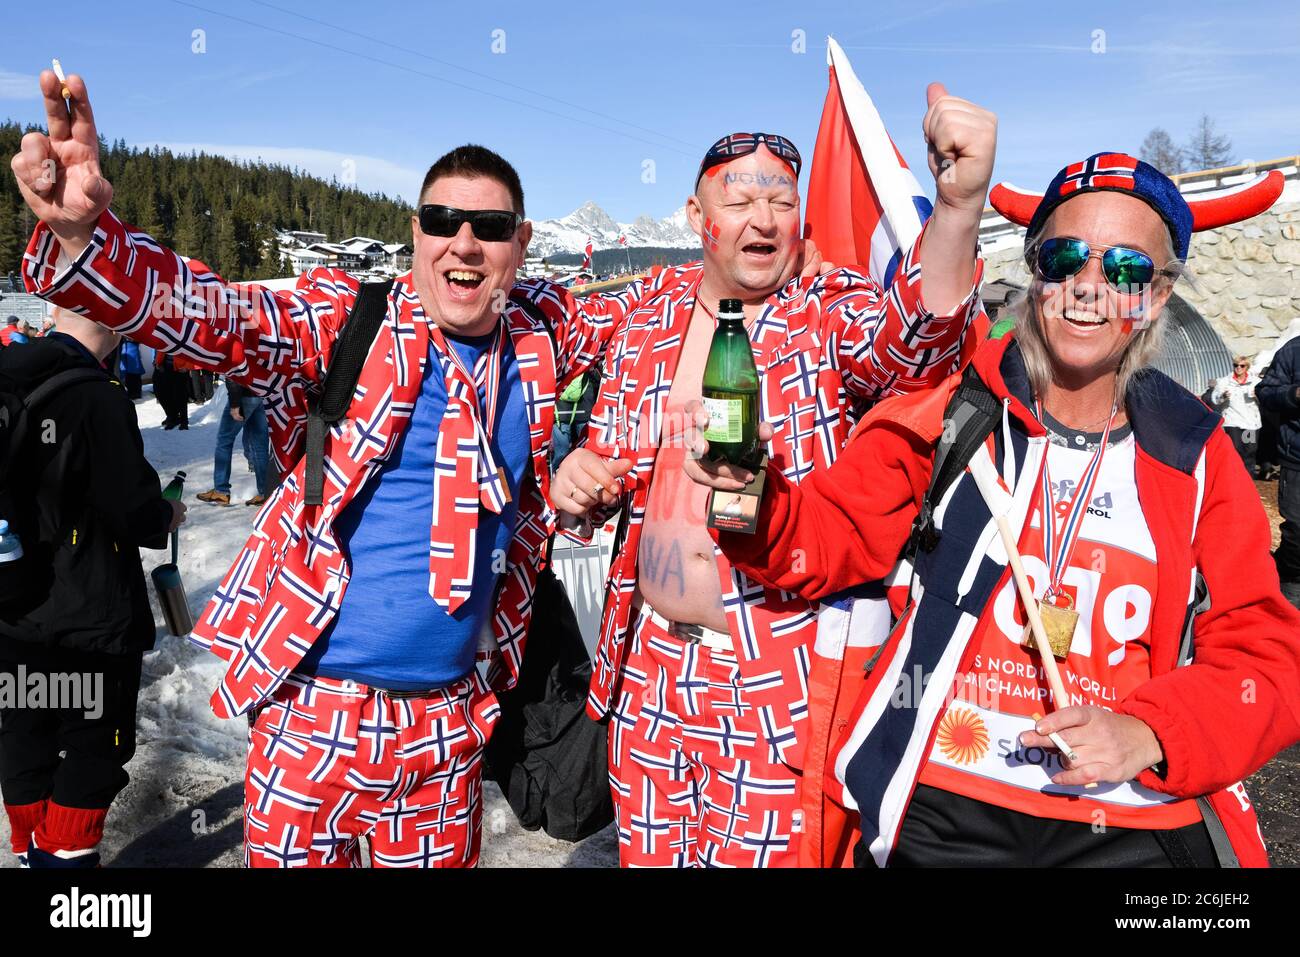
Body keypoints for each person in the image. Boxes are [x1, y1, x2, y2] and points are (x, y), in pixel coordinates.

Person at [11, 68, 687, 868]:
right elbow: (219, 317)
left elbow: (668, 298)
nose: (463, 242)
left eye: (488, 225)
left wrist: (765, 248)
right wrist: (89, 242)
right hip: (313, 720)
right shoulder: (347, 323)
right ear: (416, 232)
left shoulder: (543, 331)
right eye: (442, 220)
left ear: (522, 243)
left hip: (449, 730)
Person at [693, 151, 1299, 867]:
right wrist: (743, 490)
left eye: (1127, 269)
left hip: (1129, 819)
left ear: (1159, 295)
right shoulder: (952, 415)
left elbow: (1264, 656)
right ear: (1036, 271)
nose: (1088, 288)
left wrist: (1151, 732)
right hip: (945, 809)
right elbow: (819, 544)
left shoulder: (1194, 455)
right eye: (1064, 257)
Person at [552, 86, 996, 867]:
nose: (763, 218)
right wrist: (578, 485)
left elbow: (916, 341)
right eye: (740, 198)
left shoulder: (824, 311)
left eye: (782, 200)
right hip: (647, 666)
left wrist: (958, 208)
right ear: (697, 216)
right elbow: (609, 467)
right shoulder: (647, 316)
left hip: (767, 676)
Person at [0, 307, 187, 867]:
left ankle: (34, 848)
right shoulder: (96, 395)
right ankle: (64, 875)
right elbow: (137, 514)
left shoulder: (8, 370)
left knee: (25, 731)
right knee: (93, 747)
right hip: (87, 615)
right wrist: (167, 516)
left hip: (10, 602)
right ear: (115, 323)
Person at [1257, 333, 1300, 607]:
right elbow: (1265, 392)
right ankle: (1290, 591)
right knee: (1298, 531)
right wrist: (1293, 394)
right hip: (1297, 458)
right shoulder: (1294, 350)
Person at [196, 379, 272, 507]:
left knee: (224, 441)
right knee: (259, 445)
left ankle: (221, 490)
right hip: (262, 393)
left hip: (244, 394)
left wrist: (235, 403)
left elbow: (234, 369)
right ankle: (266, 492)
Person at [1210, 355, 1261, 475]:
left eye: (1242, 366)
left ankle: (1248, 475)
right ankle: (1236, 474)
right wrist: (1222, 396)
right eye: (1236, 365)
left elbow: (1266, 399)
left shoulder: (1255, 382)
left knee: (1250, 450)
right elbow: (1214, 398)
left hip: (1250, 423)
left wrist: (1257, 396)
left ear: (1247, 367)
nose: (1238, 368)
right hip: (1233, 422)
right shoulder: (1224, 382)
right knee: (1236, 448)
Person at [151, 352, 189, 430]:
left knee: (180, 395)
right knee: (163, 394)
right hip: (165, 366)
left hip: (181, 368)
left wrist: (188, 366)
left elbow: (191, 350)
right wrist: (157, 362)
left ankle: (183, 420)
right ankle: (172, 416)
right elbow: (161, 346)